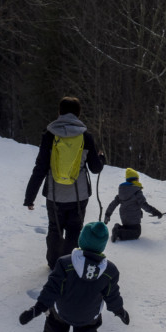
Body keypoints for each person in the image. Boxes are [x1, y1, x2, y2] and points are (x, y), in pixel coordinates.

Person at [19, 222, 130, 332]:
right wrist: (120, 311)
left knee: (55, 323)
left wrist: (38, 308)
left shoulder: (65, 263)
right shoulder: (109, 271)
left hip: (62, 312)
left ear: (81, 240)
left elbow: (52, 288)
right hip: (89, 316)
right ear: (102, 245)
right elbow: (112, 295)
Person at [24, 97, 105, 268]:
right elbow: (95, 168)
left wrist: (30, 197)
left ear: (59, 112)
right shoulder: (86, 137)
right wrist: (101, 158)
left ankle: (54, 263)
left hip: (54, 194)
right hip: (79, 195)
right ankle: (70, 264)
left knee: (55, 228)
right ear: (78, 114)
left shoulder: (49, 135)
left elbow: (40, 168)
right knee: (75, 229)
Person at [103, 168, 162, 242]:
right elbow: (144, 205)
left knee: (127, 228)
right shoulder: (137, 192)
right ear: (135, 180)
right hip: (133, 220)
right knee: (136, 233)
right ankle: (118, 232)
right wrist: (155, 211)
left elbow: (113, 204)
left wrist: (107, 214)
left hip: (124, 219)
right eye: (138, 179)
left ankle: (118, 227)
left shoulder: (122, 192)